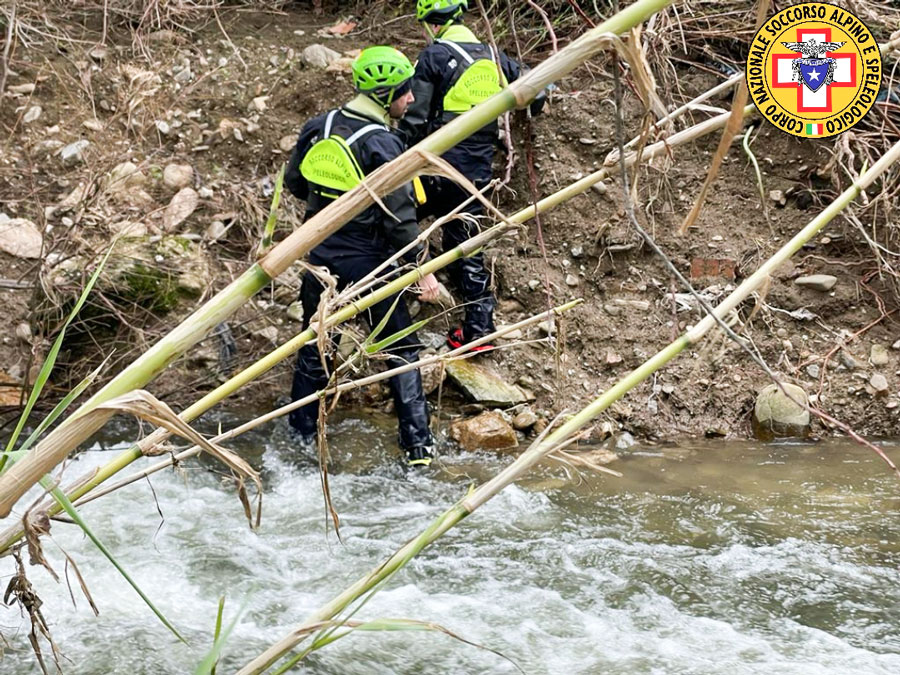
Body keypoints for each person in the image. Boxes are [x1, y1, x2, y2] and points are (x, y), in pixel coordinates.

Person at [285, 46, 440, 468]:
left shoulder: (320, 126)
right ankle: (419, 450)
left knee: (315, 345)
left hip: (317, 256)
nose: (410, 100)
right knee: (401, 350)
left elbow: (297, 184)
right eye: (405, 92)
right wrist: (421, 272)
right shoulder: (383, 143)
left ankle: (299, 438)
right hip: (370, 262)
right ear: (388, 93)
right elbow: (400, 218)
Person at [400, 0, 528, 351]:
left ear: (431, 24)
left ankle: (394, 304)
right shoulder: (495, 57)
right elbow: (538, 90)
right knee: (468, 243)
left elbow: (415, 117)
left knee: (396, 221)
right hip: (476, 171)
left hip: (436, 168)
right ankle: (478, 330)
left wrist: (396, 154)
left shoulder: (434, 56)